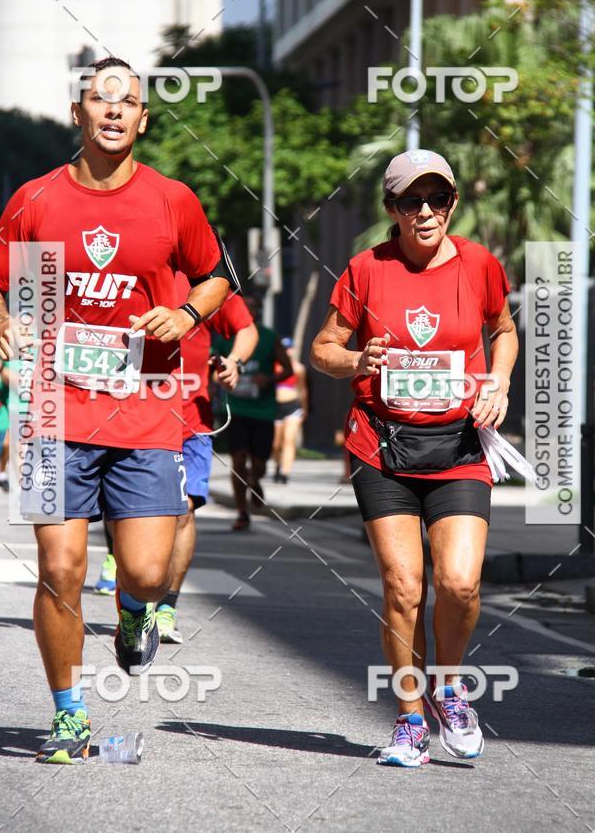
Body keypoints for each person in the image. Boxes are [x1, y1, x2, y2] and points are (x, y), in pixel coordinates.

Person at [0, 57, 231, 764]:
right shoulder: (37, 200)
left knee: (149, 571)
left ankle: (134, 614)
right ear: (79, 113)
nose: (115, 111)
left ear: (143, 119)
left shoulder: (173, 201)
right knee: (60, 567)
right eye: (102, 99)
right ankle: (69, 715)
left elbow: (219, 276)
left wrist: (187, 312)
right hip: (51, 406)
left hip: (146, 409)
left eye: (129, 102)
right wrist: (3, 323)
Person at [311, 148, 518, 768]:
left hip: (458, 446)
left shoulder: (480, 264)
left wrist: (499, 384)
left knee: (459, 582)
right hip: (382, 446)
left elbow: (503, 330)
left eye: (437, 199)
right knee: (404, 587)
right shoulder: (366, 269)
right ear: (392, 208)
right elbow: (324, 348)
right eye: (410, 201)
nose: (425, 211)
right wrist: (357, 362)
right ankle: (407, 721)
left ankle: (450, 689)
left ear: (453, 203)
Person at [155, 275, 258, 643]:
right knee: (136, 517)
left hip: (192, 425)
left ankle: (166, 607)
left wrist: (234, 363)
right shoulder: (136, 268)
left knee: (182, 511)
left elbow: (246, 330)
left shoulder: (206, 284)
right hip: (138, 420)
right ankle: (134, 600)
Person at [214, 294, 292, 531]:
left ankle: (255, 480)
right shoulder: (226, 336)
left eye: (254, 308)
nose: (250, 312)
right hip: (236, 409)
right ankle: (242, 512)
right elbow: (213, 364)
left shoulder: (269, 337)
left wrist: (267, 379)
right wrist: (220, 378)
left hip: (263, 412)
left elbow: (287, 369)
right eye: (246, 308)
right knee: (238, 461)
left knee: (259, 463)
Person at [272, 337, 308, 483]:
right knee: (276, 444)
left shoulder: (298, 369)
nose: (287, 351)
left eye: (289, 348)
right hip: (275, 408)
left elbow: (302, 390)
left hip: (293, 407)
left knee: (289, 440)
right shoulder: (273, 366)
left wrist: (305, 408)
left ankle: (285, 472)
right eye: (284, 348)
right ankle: (277, 465)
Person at [0, 354, 9, 491]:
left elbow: (14, 382)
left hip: (2, 409)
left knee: (4, 445)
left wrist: (0, 367)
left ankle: (2, 474)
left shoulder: (4, 355)